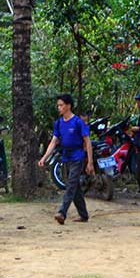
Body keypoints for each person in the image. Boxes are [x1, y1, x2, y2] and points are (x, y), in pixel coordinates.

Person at [38, 93, 94, 225]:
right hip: (65, 157)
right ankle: (83, 215)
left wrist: (90, 162)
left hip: (77, 156)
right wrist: (44, 158)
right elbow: (53, 142)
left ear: (68, 106)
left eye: (61, 105)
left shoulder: (78, 122)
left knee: (71, 185)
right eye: (58, 105)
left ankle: (62, 212)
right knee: (75, 186)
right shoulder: (58, 123)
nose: (59, 108)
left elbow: (87, 142)